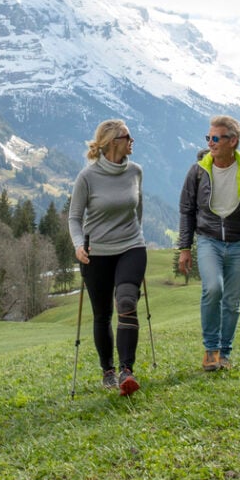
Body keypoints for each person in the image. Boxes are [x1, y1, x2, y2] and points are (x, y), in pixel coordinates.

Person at [177, 114, 240, 372]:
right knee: (213, 288)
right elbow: (186, 210)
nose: (211, 143)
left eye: (216, 138)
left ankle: (225, 353)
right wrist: (184, 248)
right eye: (208, 137)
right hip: (209, 241)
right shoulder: (198, 171)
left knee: (232, 301)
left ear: (233, 141)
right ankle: (211, 350)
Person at [68, 119, 146, 396]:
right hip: (96, 252)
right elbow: (75, 218)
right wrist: (79, 245)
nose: (132, 140)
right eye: (128, 136)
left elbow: (138, 212)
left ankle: (127, 370)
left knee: (127, 300)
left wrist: (138, 238)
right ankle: (108, 371)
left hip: (131, 246)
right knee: (102, 314)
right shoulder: (87, 177)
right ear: (114, 141)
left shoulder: (135, 171)